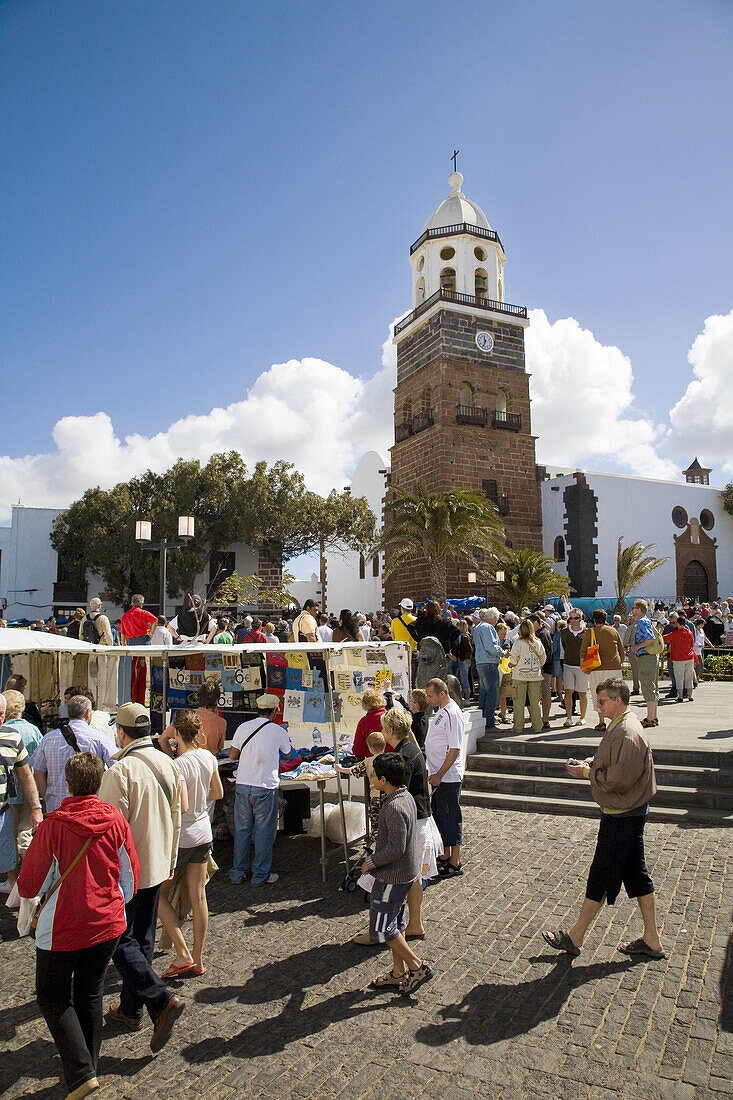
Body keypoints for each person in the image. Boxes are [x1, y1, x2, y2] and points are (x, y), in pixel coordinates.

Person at [18, 753, 139, 1100]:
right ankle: (88, 1068)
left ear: (67, 784)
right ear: (99, 783)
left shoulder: (54, 826)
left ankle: (82, 1070)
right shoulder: (115, 818)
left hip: (64, 926)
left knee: (52, 996)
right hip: (107, 921)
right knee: (89, 993)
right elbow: (130, 876)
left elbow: (29, 885)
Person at [542, 678, 664, 961]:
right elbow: (613, 761)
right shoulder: (621, 725)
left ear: (618, 701)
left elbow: (619, 778)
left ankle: (576, 935)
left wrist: (587, 773)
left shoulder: (628, 731)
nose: (598, 706)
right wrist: (593, 763)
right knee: (636, 875)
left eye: (602, 701)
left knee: (602, 873)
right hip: (625, 812)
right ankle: (652, 939)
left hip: (623, 815)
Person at [99, 703, 185, 1053]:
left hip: (129, 872)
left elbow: (108, 831)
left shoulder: (121, 771)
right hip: (157, 862)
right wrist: (171, 860)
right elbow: (178, 816)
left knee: (117, 940)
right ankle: (132, 1009)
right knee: (142, 938)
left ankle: (159, 998)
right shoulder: (167, 762)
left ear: (121, 732)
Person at [360, 753, 433, 994]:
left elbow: (395, 848)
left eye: (374, 775)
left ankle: (416, 966)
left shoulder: (393, 806)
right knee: (397, 923)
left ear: (383, 779)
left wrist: (371, 861)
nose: (372, 778)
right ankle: (397, 972)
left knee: (383, 928)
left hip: (393, 877)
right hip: (405, 874)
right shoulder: (406, 796)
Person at [157, 711, 223, 978]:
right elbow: (217, 792)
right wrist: (199, 799)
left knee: (158, 896)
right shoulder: (208, 757)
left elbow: (180, 805)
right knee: (198, 898)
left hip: (182, 837)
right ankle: (197, 957)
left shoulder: (179, 764)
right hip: (203, 832)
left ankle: (182, 952)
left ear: (176, 734)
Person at [228, 693, 292, 886]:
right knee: (264, 832)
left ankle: (237, 872)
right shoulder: (277, 731)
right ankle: (260, 875)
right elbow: (288, 754)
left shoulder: (243, 727)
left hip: (244, 783)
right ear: (274, 711)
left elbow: (232, 755)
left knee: (242, 830)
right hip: (265, 786)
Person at [31, 696, 115, 813]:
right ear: (88, 713)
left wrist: (48, 796)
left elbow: (38, 771)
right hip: (90, 809)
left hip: (57, 808)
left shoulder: (48, 739)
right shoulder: (100, 739)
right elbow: (116, 768)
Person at [0, 694, 44, 893]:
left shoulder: (13, 737)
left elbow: (26, 775)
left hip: (3, 812)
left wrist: (36, 807)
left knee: (8, 860)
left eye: (1, 714)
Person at [424, 677, 465, 878]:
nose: (428, 699)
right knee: (441, 815)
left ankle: (455, 861)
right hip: (439, 775)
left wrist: (440, 773)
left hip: (448, 776)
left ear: (442, 693)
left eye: (430, 696)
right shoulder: (442, 711)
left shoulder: (452, 713)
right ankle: (445, 854)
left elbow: (455, 748)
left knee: (451, 817)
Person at [579, 610, 626, 731]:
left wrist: (583, 667)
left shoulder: (591, 632)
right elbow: (621, 649)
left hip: (596, 667)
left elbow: (583, 651)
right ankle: (616, 720)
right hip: (613, 666)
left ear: (594, 620)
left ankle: (601, 721)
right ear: (606, 619)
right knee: (615, 693)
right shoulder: (613, 631)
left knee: (598, 693)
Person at [336, 730, 385, 837]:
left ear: (371, 749)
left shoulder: (368, 762)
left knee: (376, 824)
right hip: (388, 796)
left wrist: (340, 769)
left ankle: (377, 846)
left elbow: (353, 771)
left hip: (375, 797)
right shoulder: (388, 759)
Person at [508, 620, 546, 735]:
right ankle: (538, 726)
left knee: (518, 702)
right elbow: (543, 658)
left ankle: (518, 727)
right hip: (535, 675)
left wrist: (511, 664)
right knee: (535, 702)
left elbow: (513, 659)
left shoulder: (518, 644)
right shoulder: (538, 643)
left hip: (520, 675)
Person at [472, 608, 505, 733]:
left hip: (481, 663)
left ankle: (482, 721)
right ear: (493, 618)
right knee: (492, 693)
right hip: (489, 663)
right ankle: (489, 723)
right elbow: (491, 646)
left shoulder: (478, 627)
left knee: (484, 693)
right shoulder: (488, 628)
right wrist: (502, 653)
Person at [628, 599, 659, 728]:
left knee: (647, 686)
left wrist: (637, 647)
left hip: (646, 657)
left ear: (639, 609)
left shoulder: (642, 622)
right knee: (653, 686)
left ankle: (650, 718)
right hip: (649, 657)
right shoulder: (644, 621)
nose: (632, 610)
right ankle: (653, 716)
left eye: (634, 608)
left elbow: (650, 638)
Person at [560, 610, 589, 727]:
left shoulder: (587, 632)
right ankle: (569, 717)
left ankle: (582, 717)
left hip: (582, 666)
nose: (573, 621)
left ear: (581, 619)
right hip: (568, 664)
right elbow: (565, 646)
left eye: (576, 618)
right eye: (570, 618)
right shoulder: (564, 632)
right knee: (568, 691)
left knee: (582, 692)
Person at [529, 613, 554, 729]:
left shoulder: (542, 635)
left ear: (535, 623)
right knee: (543, 694)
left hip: (543, 670)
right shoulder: (541, 633)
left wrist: (539, 668)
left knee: (544, 694)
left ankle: (544, 719)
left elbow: (545, 655)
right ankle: (543, 719)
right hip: (543, 669)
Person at [351, 688, 387, 760]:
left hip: (373, 761)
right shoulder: (390, 717)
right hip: (394, 759)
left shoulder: (364, 722)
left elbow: (359, 751)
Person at [668, 615, 696, 703]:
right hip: (689, 657)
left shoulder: (675, 634)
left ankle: (680, 696)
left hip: (678, 658)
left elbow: (664, 638)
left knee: (679, 678)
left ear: (678, 623)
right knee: (689, 677)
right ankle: (690, 696)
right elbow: (692, 643)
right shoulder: (690, 633)